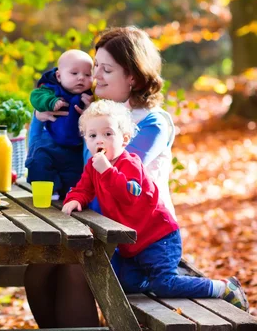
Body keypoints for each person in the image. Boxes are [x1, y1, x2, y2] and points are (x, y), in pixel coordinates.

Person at [24, 26, 178, 328]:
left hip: (141, 236)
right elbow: (44, 146)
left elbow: (114, 175)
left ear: (132, 76)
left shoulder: (153, 123)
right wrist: (39, 119)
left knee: (74, 267)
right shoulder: (96, 110)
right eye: (96, 67)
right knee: (39, 267)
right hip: (94, 223)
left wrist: (89, 122)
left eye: (106, 69)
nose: (96, 77)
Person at [61, 100, 248, 310]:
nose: (100, 141)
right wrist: (74, 199)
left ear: (124, 139)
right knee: (125, 283)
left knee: (163, 284)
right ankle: (170, 281)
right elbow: (83, 188)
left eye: (108, 134)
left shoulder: (129, 164)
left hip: (158, 236)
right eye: (92, 135)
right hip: (132, 244)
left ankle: (222, 287)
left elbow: (129, 194)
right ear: (85, 139)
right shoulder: (94, 166)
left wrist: (107, 171)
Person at [27, 49, 93, 197]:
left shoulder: (91, 96)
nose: (81, 78)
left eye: (87, 74)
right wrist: (51, 102)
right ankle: (48, 190)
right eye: (74, 73)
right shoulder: (52, 89)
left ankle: (66, 193)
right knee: (40, 161)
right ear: (59, 75)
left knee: (74, 174)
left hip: (76, 147)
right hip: (51, 142)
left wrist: (92, 107)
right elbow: (36, 96)